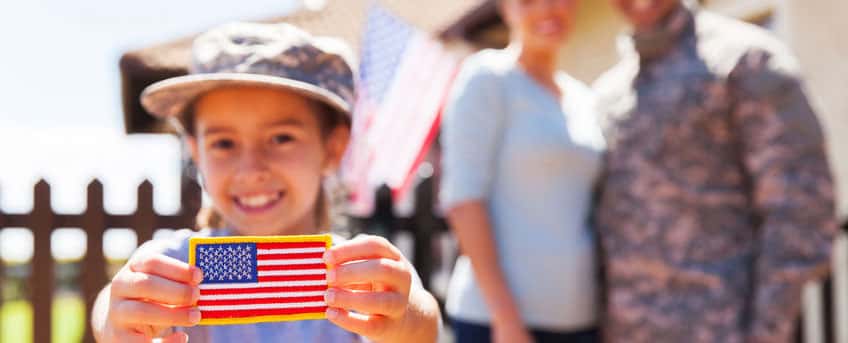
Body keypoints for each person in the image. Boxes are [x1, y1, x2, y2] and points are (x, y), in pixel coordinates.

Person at [90, 22, 441, 343]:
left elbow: (424, 325)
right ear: (195, 151)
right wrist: (115, 321)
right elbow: (111, 303)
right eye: (224, 143)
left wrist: (408, 319)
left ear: (333, 147)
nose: (251, 169)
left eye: (281, 138)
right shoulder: (180, 266)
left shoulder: (356, 274)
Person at [593, 1, 838, 342]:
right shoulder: (609, 93)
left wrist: (768, 331)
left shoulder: (744, 60)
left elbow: (801, 203)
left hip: (720, 328)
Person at [440, 0, 605, 342]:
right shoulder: (487, 79)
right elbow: (464, 200)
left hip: (580, 320)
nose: (548, 9)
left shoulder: (584, 99)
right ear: (506, 8)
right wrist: (506, 319)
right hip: (500, 323)